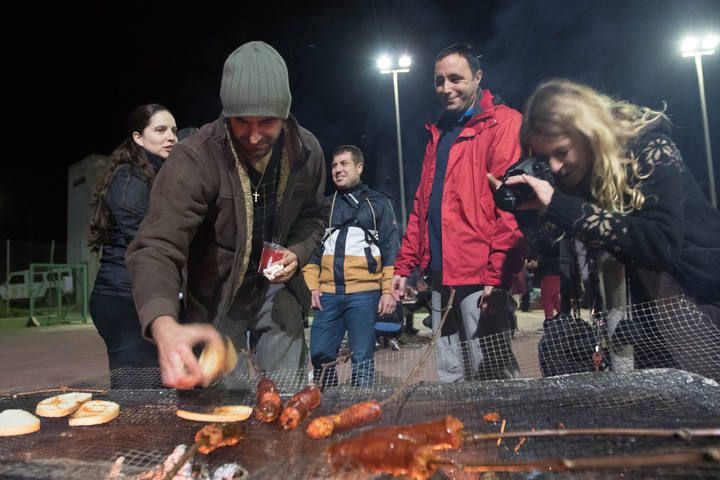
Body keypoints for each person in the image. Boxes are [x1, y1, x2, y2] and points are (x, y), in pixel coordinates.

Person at [126, 41, 328, 389]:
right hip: (217, 298)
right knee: (221, 411)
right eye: (241, 121)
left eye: (267, 121)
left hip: (277, 291)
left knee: (287, 399)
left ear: (285, 113)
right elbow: (157, 244)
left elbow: (314, 216)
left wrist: (296, 251)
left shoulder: (307, 152)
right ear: (225, 114)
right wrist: (164, 325)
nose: (253, 136)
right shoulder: (194, 158)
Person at [491, 79, 720, 379]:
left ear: (588, 135)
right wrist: (527, 210)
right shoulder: (579, 178)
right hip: (642, 316)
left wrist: (559, 205)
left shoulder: (649, 148)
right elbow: (549, 245)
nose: (556, 167)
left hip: (700, 301)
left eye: (562, 151)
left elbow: (661, 244)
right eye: (546, 158)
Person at [391, 43, 526, 382]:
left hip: (480, 275)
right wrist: (405, 265)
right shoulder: (438, 134)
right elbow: (422, 205)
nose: (446, 88)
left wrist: (498, 276)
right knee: (451, 374)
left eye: (456, 79)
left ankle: (507, 436)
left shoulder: (505, 124)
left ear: (478, 77)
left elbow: (512, 210)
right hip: (440, 275)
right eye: (439, 81)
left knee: (493, 374)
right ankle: (463, 437)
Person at [88, 104, 178, 386]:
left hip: (140, 299)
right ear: (138, 137)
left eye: (174, 130)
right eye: (161, 130)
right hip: (122, 300)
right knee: (138, 398)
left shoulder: (156, 175)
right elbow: (146, 241)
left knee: (161, 389)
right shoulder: (129, 179)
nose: (171, 137)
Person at [304, 145, 399, 387]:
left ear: (359, 167)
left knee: (362, 359)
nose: (337, 169)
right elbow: (313, 250)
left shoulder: (378, 204)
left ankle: (361, 412)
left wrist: (388, 290)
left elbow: (391, 250)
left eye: (344, 164)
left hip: (364, 295)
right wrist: (313, 286)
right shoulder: (325, 206)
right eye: (334, 165)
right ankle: (328, 405)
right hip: (328, 295)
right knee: (319, 354)